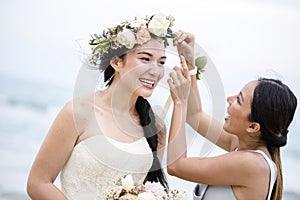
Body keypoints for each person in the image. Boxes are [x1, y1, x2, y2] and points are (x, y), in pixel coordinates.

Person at [27, 13, 177, 199]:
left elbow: (144, 192)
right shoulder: (78, 112)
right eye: (145, 59)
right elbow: (38, 183)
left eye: (161, 62)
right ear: (116, 62)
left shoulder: (156, 127)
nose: (155, 70)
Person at [167, 32, 297, 200]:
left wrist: (179, 102)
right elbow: (195, 116)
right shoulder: (240, 146)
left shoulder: (252, 164)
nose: (230, 99)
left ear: (253, 127)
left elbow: (176, 165)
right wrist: (190, 64)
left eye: (239, 100)